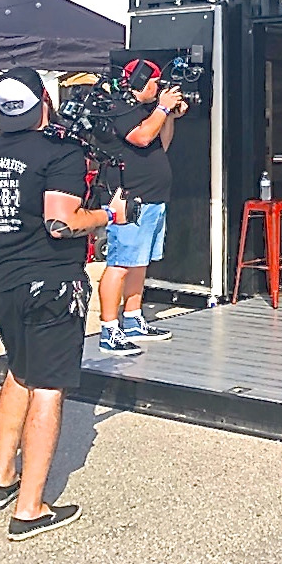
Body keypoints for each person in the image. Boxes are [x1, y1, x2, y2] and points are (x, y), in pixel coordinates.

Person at [0, 67, 127, 541]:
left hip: (1, 281)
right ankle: (30, 508)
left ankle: (3, 478)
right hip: (49, 285)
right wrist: (109, 215)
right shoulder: (59, 151)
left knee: (19, 372)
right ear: (44, 98)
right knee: (47, 387)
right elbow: (61, 223)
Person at [96, 59, 187, 355]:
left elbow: (161, 144)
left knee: (139, 262)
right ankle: (109, 328)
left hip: (152, 197)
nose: (158, 90)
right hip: (129, 199)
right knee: (120, 264)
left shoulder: (144, 112)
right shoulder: (118, 107)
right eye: (156, 84)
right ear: (141, 82)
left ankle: (133, 317)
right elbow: (142, 136)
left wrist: (169, 116)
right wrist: (162, 108)